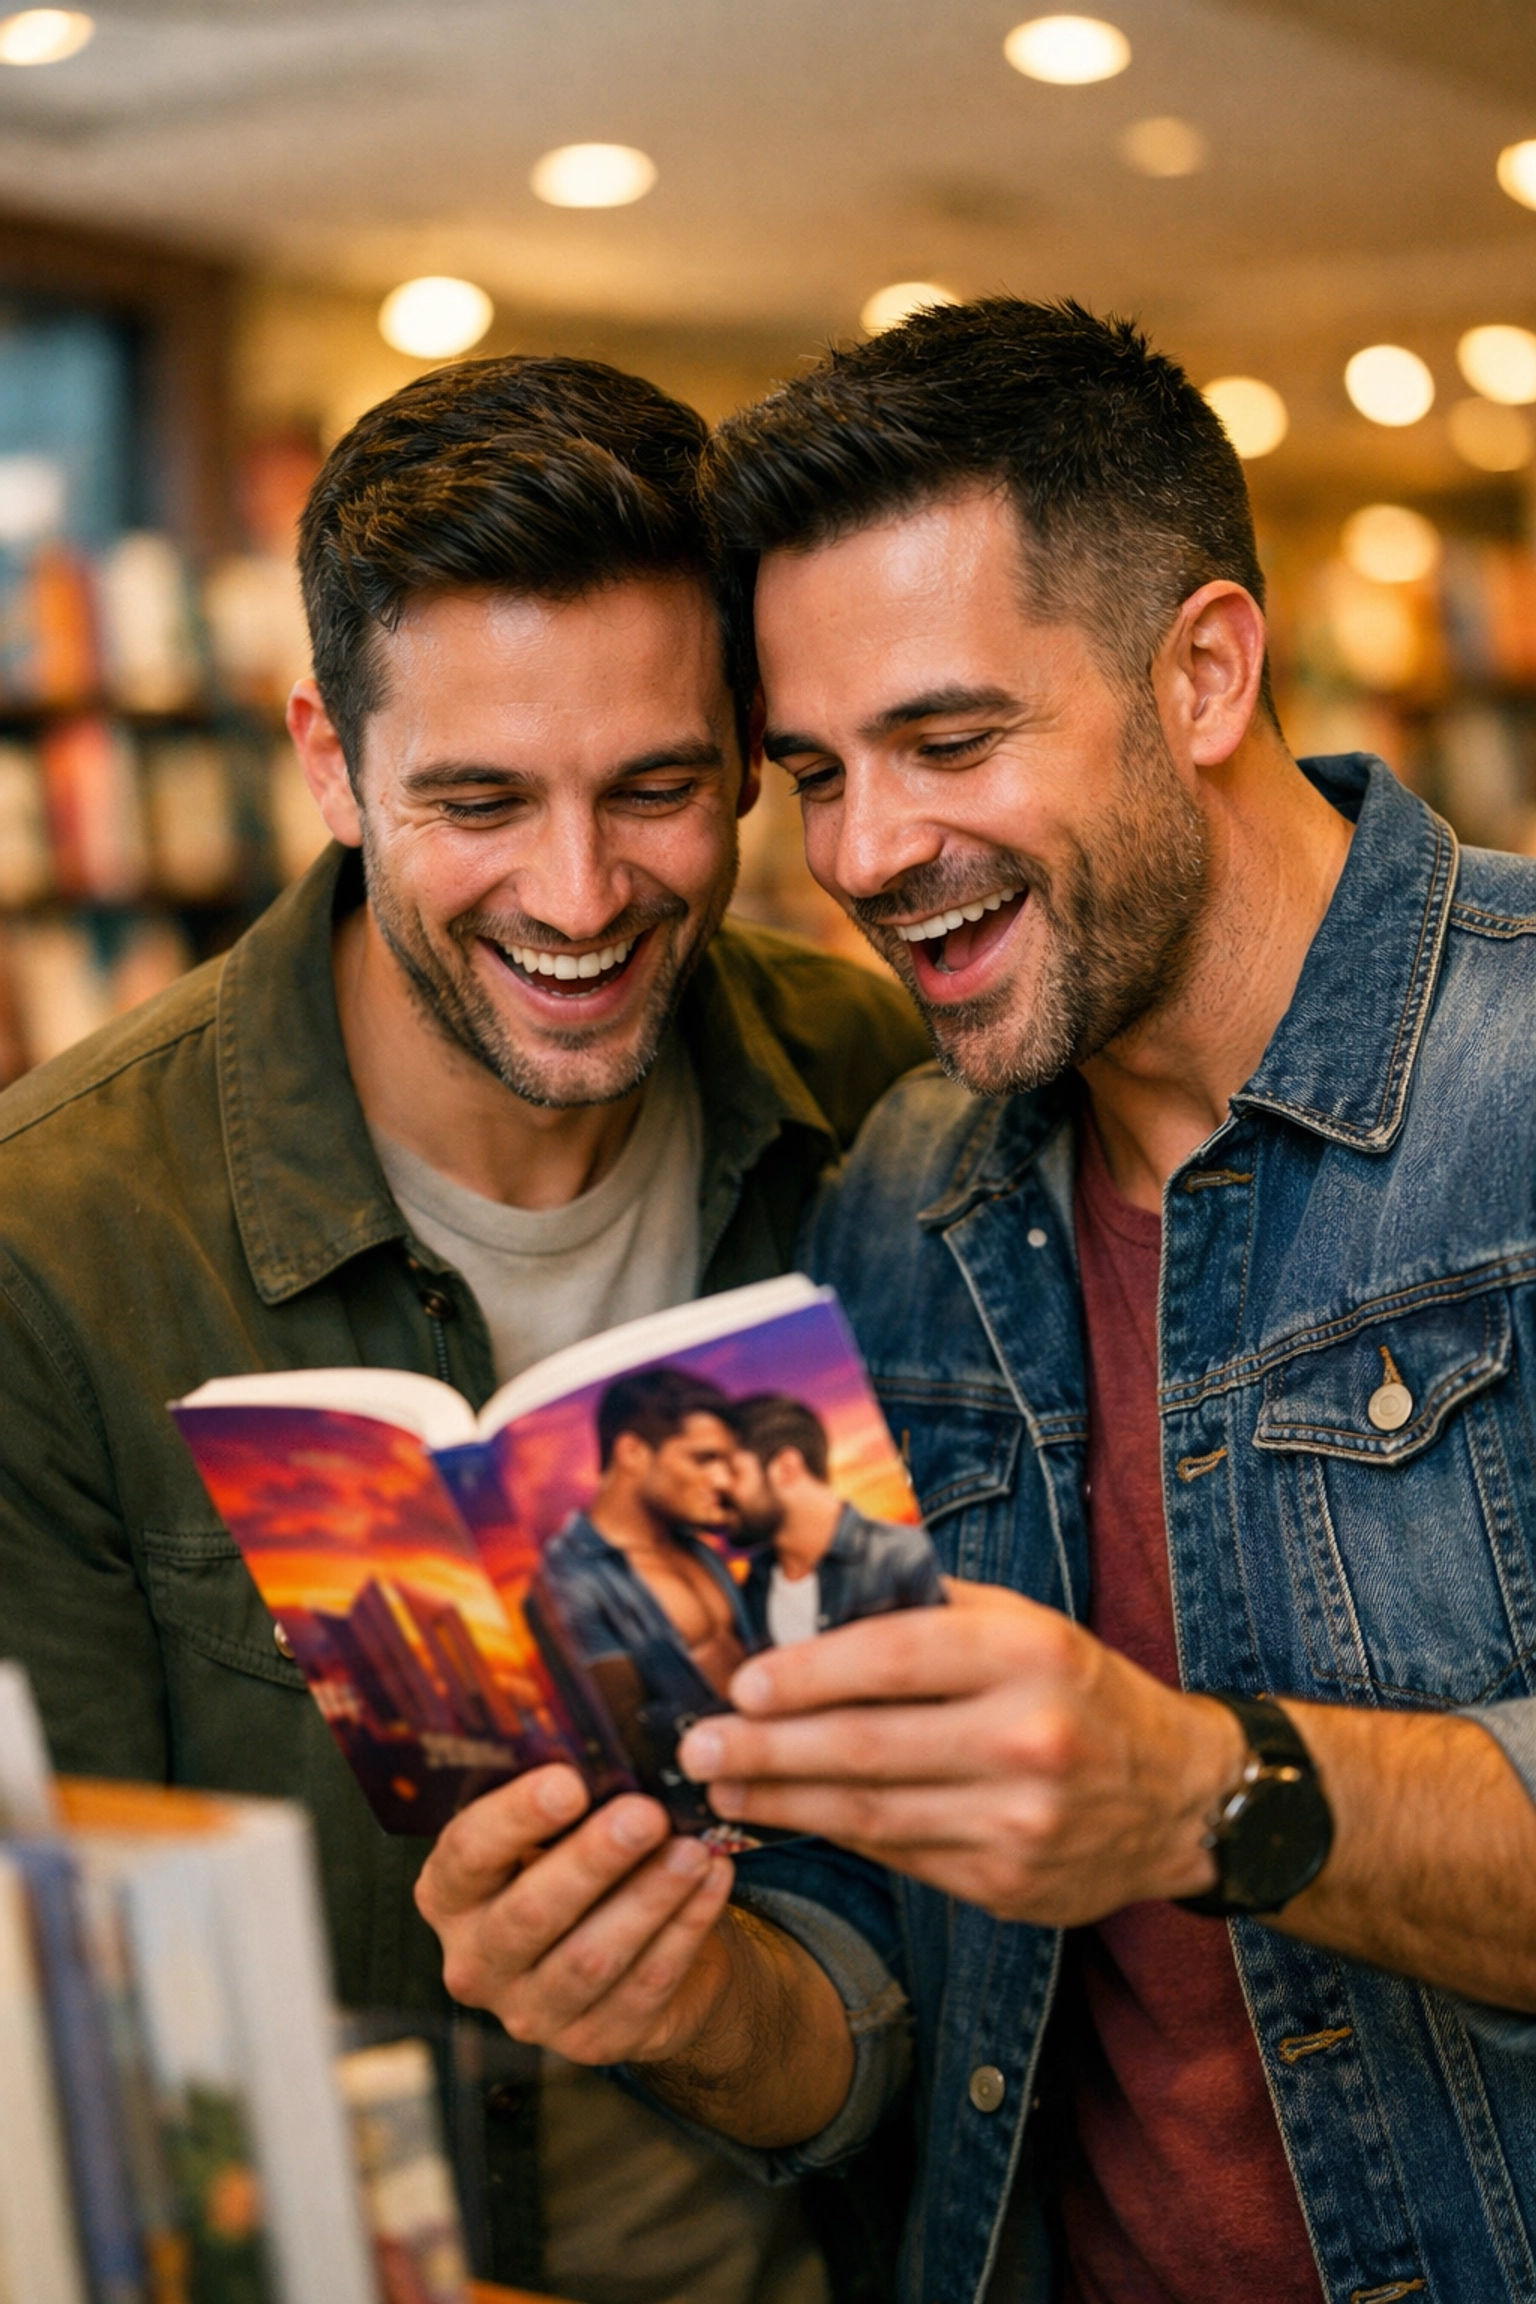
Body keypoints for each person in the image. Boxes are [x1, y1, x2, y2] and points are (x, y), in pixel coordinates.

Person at [414, 302, 1536, 2304]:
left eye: (948, 742)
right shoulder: (903, 1198)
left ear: (1203, 672)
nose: (865, 852)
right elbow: (870, 1979)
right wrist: (672, 1994)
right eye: (815, 772)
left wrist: (1214, 1791)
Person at [0, 351, 927, 2303]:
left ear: (751, 754)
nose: (580, 894)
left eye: (659, 789)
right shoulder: (57, 1244)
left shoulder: (892, 1090)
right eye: (481, 801)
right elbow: (86, 2013)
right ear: (329, 764)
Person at [537, 1369, 757, 1812]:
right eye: (703, 1459)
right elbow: (624, 1738)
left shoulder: (701, 1549)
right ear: (633, 1452)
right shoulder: (569, 1577)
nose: (722, 1480)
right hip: (698, 1821)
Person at [728, 1393, 942, 1645]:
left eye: (732, 1472)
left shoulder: (907, 1557)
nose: (719, 1486)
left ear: (786, 1469)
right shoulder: (753, 1586)